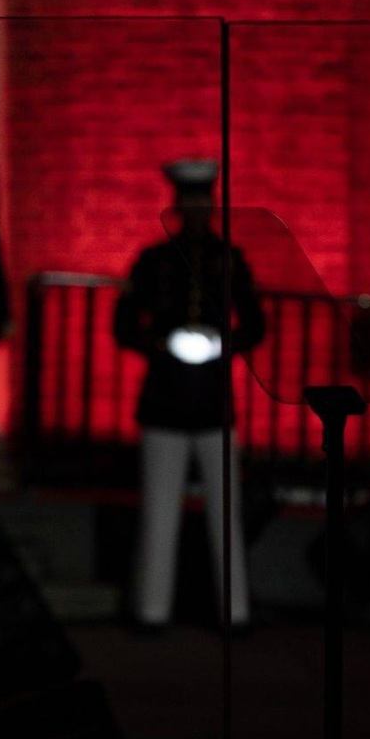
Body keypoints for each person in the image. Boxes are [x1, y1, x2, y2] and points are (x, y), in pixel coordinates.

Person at [111, 158, 266, 632]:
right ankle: (152, 611)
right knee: (159, 512)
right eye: (190, 199)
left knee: (226, 514)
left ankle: (233, 611)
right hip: (165, 399)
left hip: (213, 402)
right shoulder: (153, 261)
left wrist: (224, 344)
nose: (197, 209)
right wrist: (164, 344)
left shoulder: (231, 261)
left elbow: (256, 323)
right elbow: (124, 326)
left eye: (204, 199)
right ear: (178, 205)